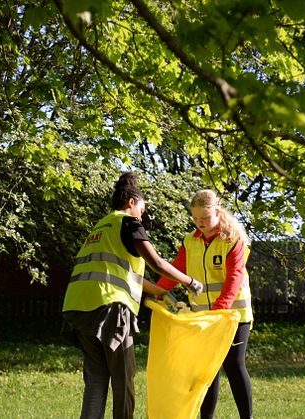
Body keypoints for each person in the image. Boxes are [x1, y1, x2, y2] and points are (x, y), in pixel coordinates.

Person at [62, 172, 204, 419]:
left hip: (79, 309)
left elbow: (123, 273)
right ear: (131, 202)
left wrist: (161, 292)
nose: (142, 214)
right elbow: (157, 263)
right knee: (123, 378)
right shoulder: (129, 223)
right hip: (109, 309)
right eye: (142, 208)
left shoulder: (100, 227)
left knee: (96, 379)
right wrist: (190, 281)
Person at [156, 189, 253, 419]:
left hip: (233, 316)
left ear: (218, 213)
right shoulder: (190, 241)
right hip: (202, 317)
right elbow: (176, 270)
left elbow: (234, 277)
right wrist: (158, 291)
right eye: (196, 218)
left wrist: (220, 311)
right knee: (203, 372)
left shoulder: (232, 239)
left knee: (233, 366)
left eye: (205, 218)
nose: (200, 223)